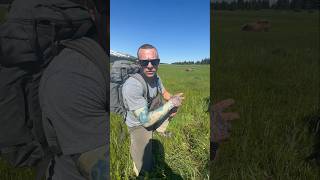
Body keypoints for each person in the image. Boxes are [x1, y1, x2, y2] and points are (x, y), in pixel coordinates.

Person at [122, 44, 184, 176]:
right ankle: (136, 149)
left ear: (158, 63)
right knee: (145, 169)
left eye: (154, 61)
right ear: (139, 63)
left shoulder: (156, 77)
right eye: (145, 62)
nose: (150, 65)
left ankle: (159, 130)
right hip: (138, 124)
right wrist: (171, 104)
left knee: (169, 108)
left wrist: (173, 100)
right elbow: (145, 121)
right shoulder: (132, 85)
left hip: (150, 111)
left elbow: (165, 93)